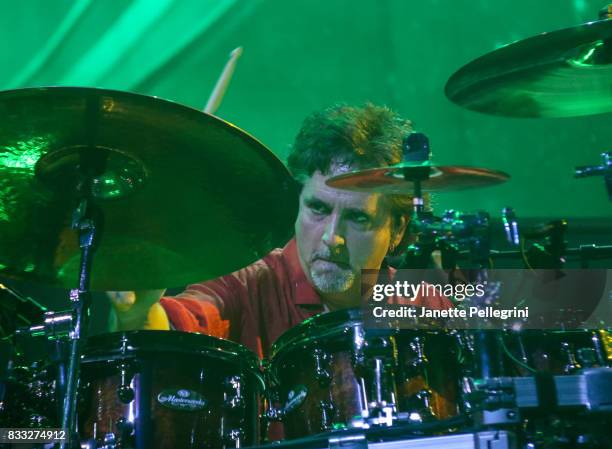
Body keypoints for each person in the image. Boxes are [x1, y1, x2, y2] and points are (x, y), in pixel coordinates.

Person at [108, 103, 451, 358]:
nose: (332, 238)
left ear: (397, 228)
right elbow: (169, 329)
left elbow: (501, 313)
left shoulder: (422, 298)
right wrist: (138, 312)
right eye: (318, 208)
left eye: (358, 218)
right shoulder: (247, 283)